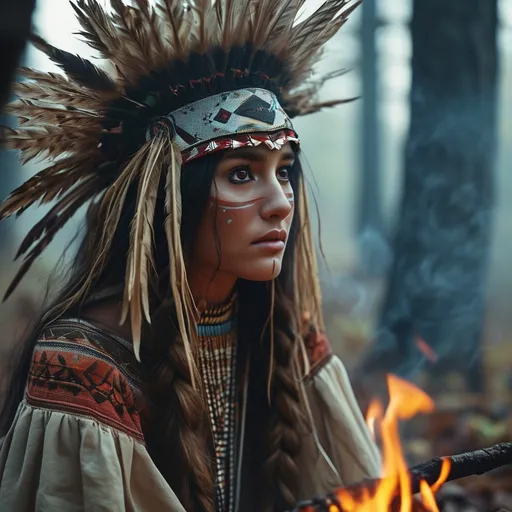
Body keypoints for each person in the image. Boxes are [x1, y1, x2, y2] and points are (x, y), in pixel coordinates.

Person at [0, 1, 380, 511]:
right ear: (170, 196)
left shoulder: (285, 337)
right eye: (241, 173)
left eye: (284, 170)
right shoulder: (84, 367)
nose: (280, 203)